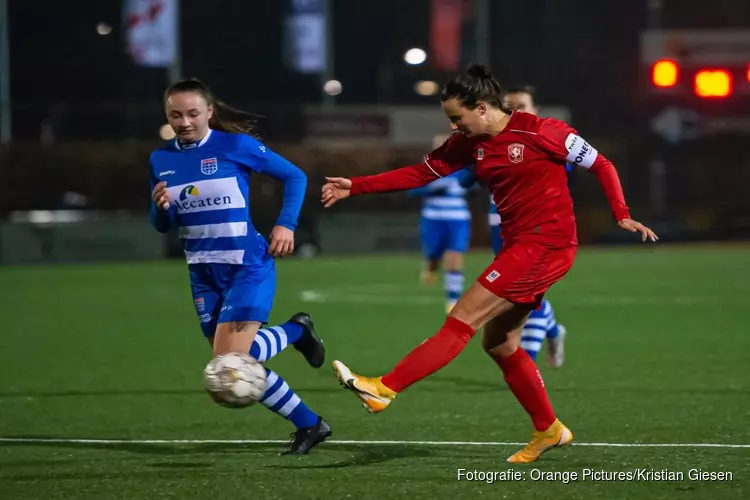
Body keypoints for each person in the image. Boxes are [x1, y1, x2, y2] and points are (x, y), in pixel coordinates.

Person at [321, 64, 657, 463]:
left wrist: (620, 213)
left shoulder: (542, 131)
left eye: (457, 117)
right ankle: (549, 430)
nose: (454, 126)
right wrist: (356, 186)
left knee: (461, 319)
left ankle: (383, 389)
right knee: (499, 342)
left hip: (546, 246)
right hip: (519, 247)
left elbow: (601, 163)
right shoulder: (469, 142)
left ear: (481, 108)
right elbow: (420, 173)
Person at [149, 78, 331, 455]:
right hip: (202, 271)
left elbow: (295, 176)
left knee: (231, 365)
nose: (184, 121)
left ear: (210, 112)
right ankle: (309, 409)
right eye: (175, 114)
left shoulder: (235, 145)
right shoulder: (161, 160)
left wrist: (286, 224)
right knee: (227, 366)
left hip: (247, 265)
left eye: (193, 113)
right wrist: (160, 207)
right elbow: (162, 225)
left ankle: (309, 414)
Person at [408, 134, 475, 313]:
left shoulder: (462, 167)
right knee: (433, 254)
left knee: (454, 255)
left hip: (457, 219)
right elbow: (411, 189)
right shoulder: (426, 168)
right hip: (433, 218)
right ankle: (430, 267)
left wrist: (467, 181)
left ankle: (453, 300)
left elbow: (474, 185)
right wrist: (431, 187)